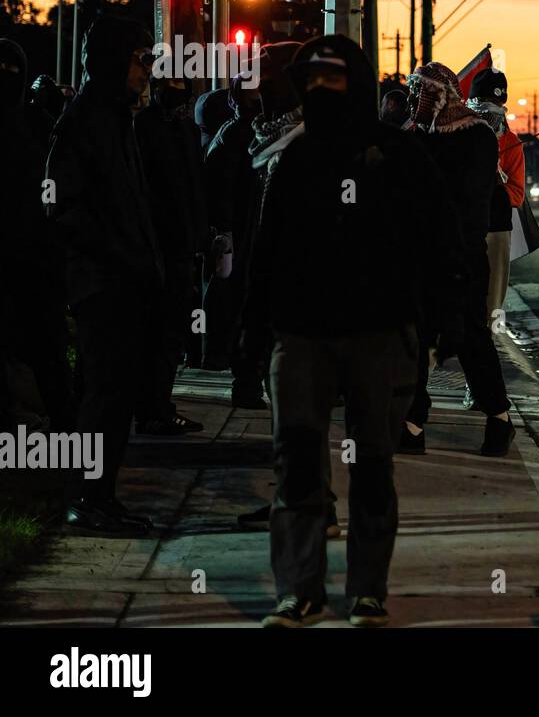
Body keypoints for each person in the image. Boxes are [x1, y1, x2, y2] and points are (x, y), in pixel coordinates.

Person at [244, 35, 455, 627]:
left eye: (333, 79)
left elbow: (438, 248)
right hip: (302, 336)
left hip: (380, 334)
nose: (323, 92)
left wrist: (433, 334)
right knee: (298, 464)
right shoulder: (295, 158)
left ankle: (367, 591)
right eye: (314, 81)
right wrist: (254, 338)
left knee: (373, 468)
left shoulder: (402, 158)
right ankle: (300, 590)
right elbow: (267, 254)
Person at [46, 15, 164, 535]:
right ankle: (88, 497)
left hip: (120, 282)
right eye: (141, 60)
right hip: (102, 285)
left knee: (115, 393)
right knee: (103, 392)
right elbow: (64, 204)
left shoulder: (117, 117)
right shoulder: (87, 118)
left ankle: (100, 495)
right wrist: (114, 260)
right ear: (117, 60)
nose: (147, 72)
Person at [402, 62, 515, 457]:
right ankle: (412, 424)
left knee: (469, 341)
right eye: (416, 93)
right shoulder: (416, 137)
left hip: (462, 258)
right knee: (414, 339)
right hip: (420, 259)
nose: (418, 100)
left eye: (425, 93)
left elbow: (472, 205)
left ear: (443, 94)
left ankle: (499, 418)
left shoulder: (478, 137)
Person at [1, 43, 73, 435]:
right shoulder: (36, 126)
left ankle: (62, 427)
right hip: (33, 259)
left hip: (36, 260)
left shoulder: (37, 126)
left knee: (46, 351)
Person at [133, 68, 206, 435]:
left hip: (179, 246)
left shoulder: (184, 132)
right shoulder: (144, 129)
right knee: (157, 332)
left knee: (170, 332)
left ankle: (155, 405)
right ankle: (152, 407)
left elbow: (194, 187)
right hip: (158, 247)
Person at [201, 77, 261, 408]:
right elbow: (220, 191)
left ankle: (248, 377)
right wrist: (225, 231)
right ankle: (245, 379)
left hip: (248, 237)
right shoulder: (235, 136)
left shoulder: (249, 134)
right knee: (238, 307)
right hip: (241, 238)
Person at [466, 68, 524, 322]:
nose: (490, 111)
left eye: (496, 104)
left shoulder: (511, 142)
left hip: (496, 228)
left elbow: (517, 195)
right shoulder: (458, 136)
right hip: (463, 228)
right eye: (483, 105)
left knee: (490, 305)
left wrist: (495, 182)